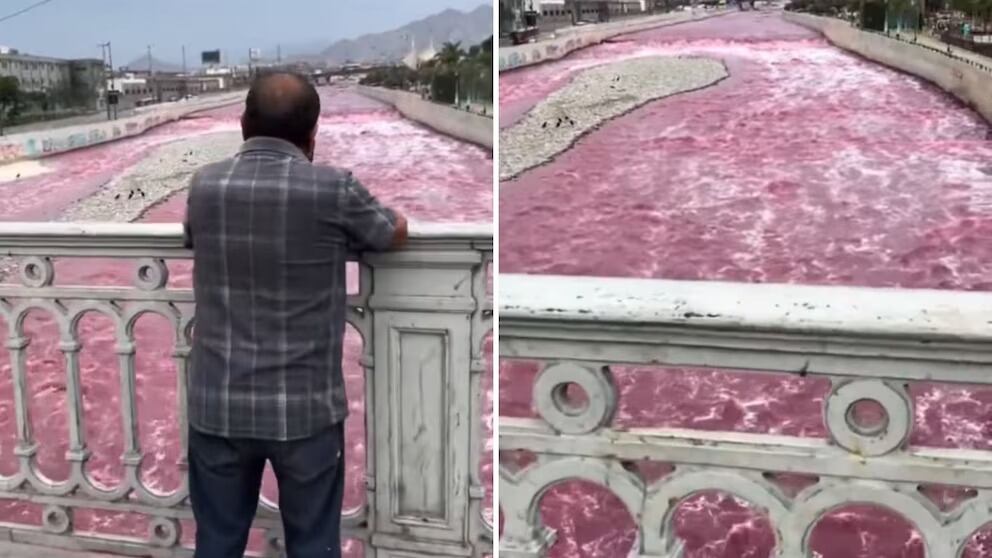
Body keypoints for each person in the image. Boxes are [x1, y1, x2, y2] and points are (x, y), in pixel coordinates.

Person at [182, 72, 408, 558]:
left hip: (217, 404)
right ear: (313, 133)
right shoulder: (333, 188)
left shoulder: (205, 185)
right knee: (312, 544)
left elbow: (191, 235)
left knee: (217, 541)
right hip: (306, 410)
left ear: (243, 124)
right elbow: (389, 233)